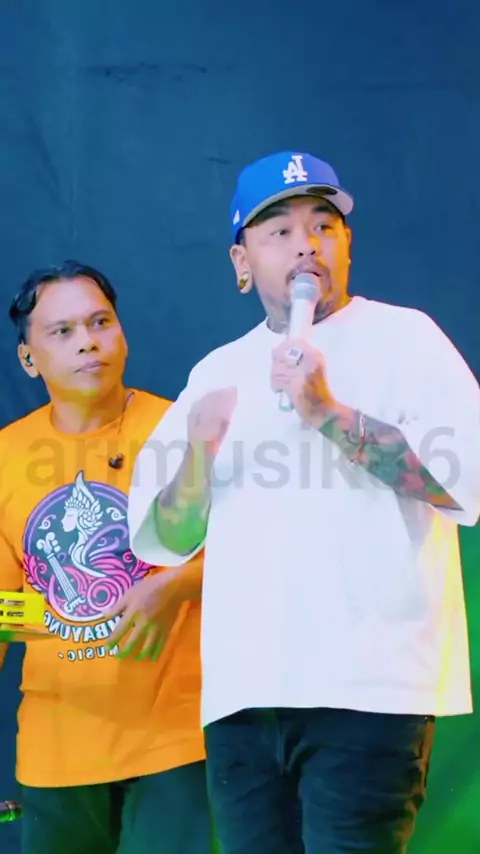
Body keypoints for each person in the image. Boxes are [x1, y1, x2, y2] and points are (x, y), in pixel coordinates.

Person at [127, 151, 480, 854]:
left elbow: (462, 483)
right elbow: (164, 539)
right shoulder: (217, 371)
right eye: (280, 231)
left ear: (346, 244)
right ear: (242, 261)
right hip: (244, 698)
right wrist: (196, 459)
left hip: (371, 688)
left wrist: (328, 413)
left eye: (323, 225)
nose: (306, 245)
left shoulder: (407, 338)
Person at [0, 260, 212, 854]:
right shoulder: (7, 456)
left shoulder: (180, 432)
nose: (88, 341)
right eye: (62, 331)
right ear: (28, 359)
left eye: (100, 322)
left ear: (122, 334)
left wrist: (175, 585)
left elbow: (254, 560)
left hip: (176, 740)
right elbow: (5, 610)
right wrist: (49, 613)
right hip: (56, 750)